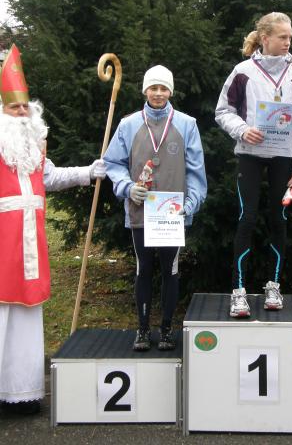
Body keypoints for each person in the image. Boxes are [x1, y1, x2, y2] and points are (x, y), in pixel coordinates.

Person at [0, 44, 106, 414]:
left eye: (24, 107)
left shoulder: (34, 149)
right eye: (13, 108)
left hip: (31, 246)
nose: (21, 113)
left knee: (27, 317)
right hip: (2, 246)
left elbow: (51, 177)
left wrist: (88, 172)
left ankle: (22, 393)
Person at [215, 12, 292, 317]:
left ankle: (274, 285)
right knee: (246, 218)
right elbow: (223, 110)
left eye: (290, 37)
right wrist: (243, 130)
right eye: (282, 37)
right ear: (265, 38)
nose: (288, 42)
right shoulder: (243, 71)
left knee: (278, 219)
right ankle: (238, 291)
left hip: (283, 157)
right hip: (250, 154)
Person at [103, 65, 207, 352]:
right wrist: (127, 187)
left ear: (170, 91)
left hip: (172, 214)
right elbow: (112, 163)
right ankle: (143, 328)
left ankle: (166, 330)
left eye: (163, 88)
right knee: (144, 268)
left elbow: (196, 170)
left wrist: (191, 203)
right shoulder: (128, 124)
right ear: (145, 91)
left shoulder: (187, 124)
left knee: (170, 269)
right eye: (153, 88)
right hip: (140, 210)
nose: (158, 93)